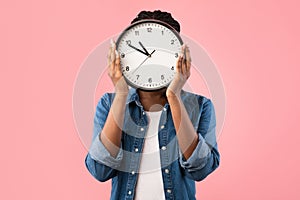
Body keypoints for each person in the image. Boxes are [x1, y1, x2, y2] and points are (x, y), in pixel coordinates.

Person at [85, 10, 220, 200]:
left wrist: (174, 96)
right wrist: (121, 93)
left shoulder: (200, 106)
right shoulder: (109, 104)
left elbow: (200, 170)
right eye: (144, 49)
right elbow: (100, 170)